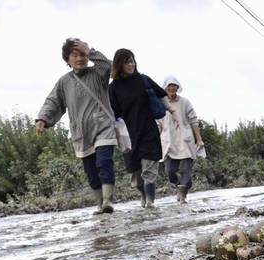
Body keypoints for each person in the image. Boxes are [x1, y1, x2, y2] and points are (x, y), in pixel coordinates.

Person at [35, 38, 117, 215]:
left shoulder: (97, 74)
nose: (80, 58)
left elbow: (109, 66)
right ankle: (99, 203)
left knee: (104, 162)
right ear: (67, 59)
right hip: (81, 132)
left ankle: (108, 200)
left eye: (83, 55)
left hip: (103, 126)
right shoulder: (64, 82)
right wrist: (42, 119)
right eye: (75, 55)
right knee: (90, 170)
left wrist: (91, 51)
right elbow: (53, 101)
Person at [108, 49, 176, 208]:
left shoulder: (143, 79)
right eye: (127, 62)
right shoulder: (114, 87)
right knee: (136, 174)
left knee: (149, 168)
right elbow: (113, 113)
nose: (131, 64)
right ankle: (144, 195)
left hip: (148, 129)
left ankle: (151, 202)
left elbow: (161, 94)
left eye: (132, 61)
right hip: (128, 134)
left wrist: (169, 108)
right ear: (119, 64)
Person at [158, 75, 204, 203]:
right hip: (168, 140)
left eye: (174, 86)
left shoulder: (185, 102)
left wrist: (199, 139)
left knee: (186, 169)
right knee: (170, 171)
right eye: (169, 86)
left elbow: (194, 120)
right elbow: (157, 123)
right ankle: (181, 185)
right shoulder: (161, 103)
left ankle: (182, 194)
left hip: (184, 139)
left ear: (177, 88)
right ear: (165, 88)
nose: (172, 88)